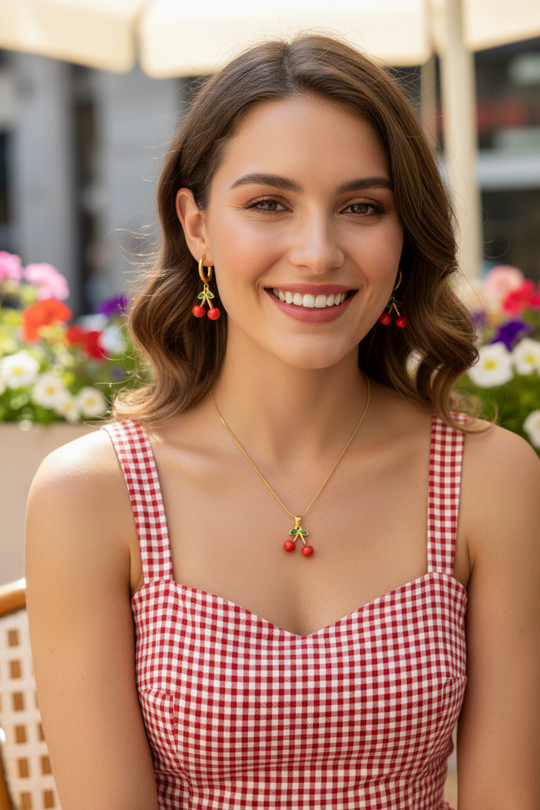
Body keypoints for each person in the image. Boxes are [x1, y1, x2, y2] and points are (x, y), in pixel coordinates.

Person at [25, 33, 540, 810]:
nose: (316, 250)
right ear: (196, 226)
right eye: (270, 203)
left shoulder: (491, 480)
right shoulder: (93, 496)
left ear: (404, 238)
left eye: (362, 207)